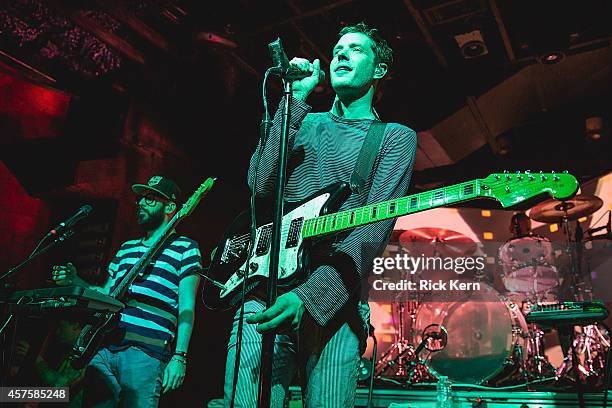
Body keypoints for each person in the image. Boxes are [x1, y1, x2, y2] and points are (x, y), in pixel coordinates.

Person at [224, 22, 417, 407]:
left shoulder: (394, 137)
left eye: (356, 49)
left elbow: (371, 232)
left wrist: (309, 297)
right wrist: (293, 100)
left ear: (379, 70)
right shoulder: (300, 120)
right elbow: (259, 184)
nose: (341, 54)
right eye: (338, 48)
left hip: (334, 298)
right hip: (265, 289)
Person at [51, 175, 202, 408]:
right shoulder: (126, 248)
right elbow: (106, 294)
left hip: (148, 352)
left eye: (151, 199)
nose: (141, 203)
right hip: (104, 346)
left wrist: (180, 356)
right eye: (141, 199)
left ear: (171, 207)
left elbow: (187, 306)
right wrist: (76, 281)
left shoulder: (186, 248)